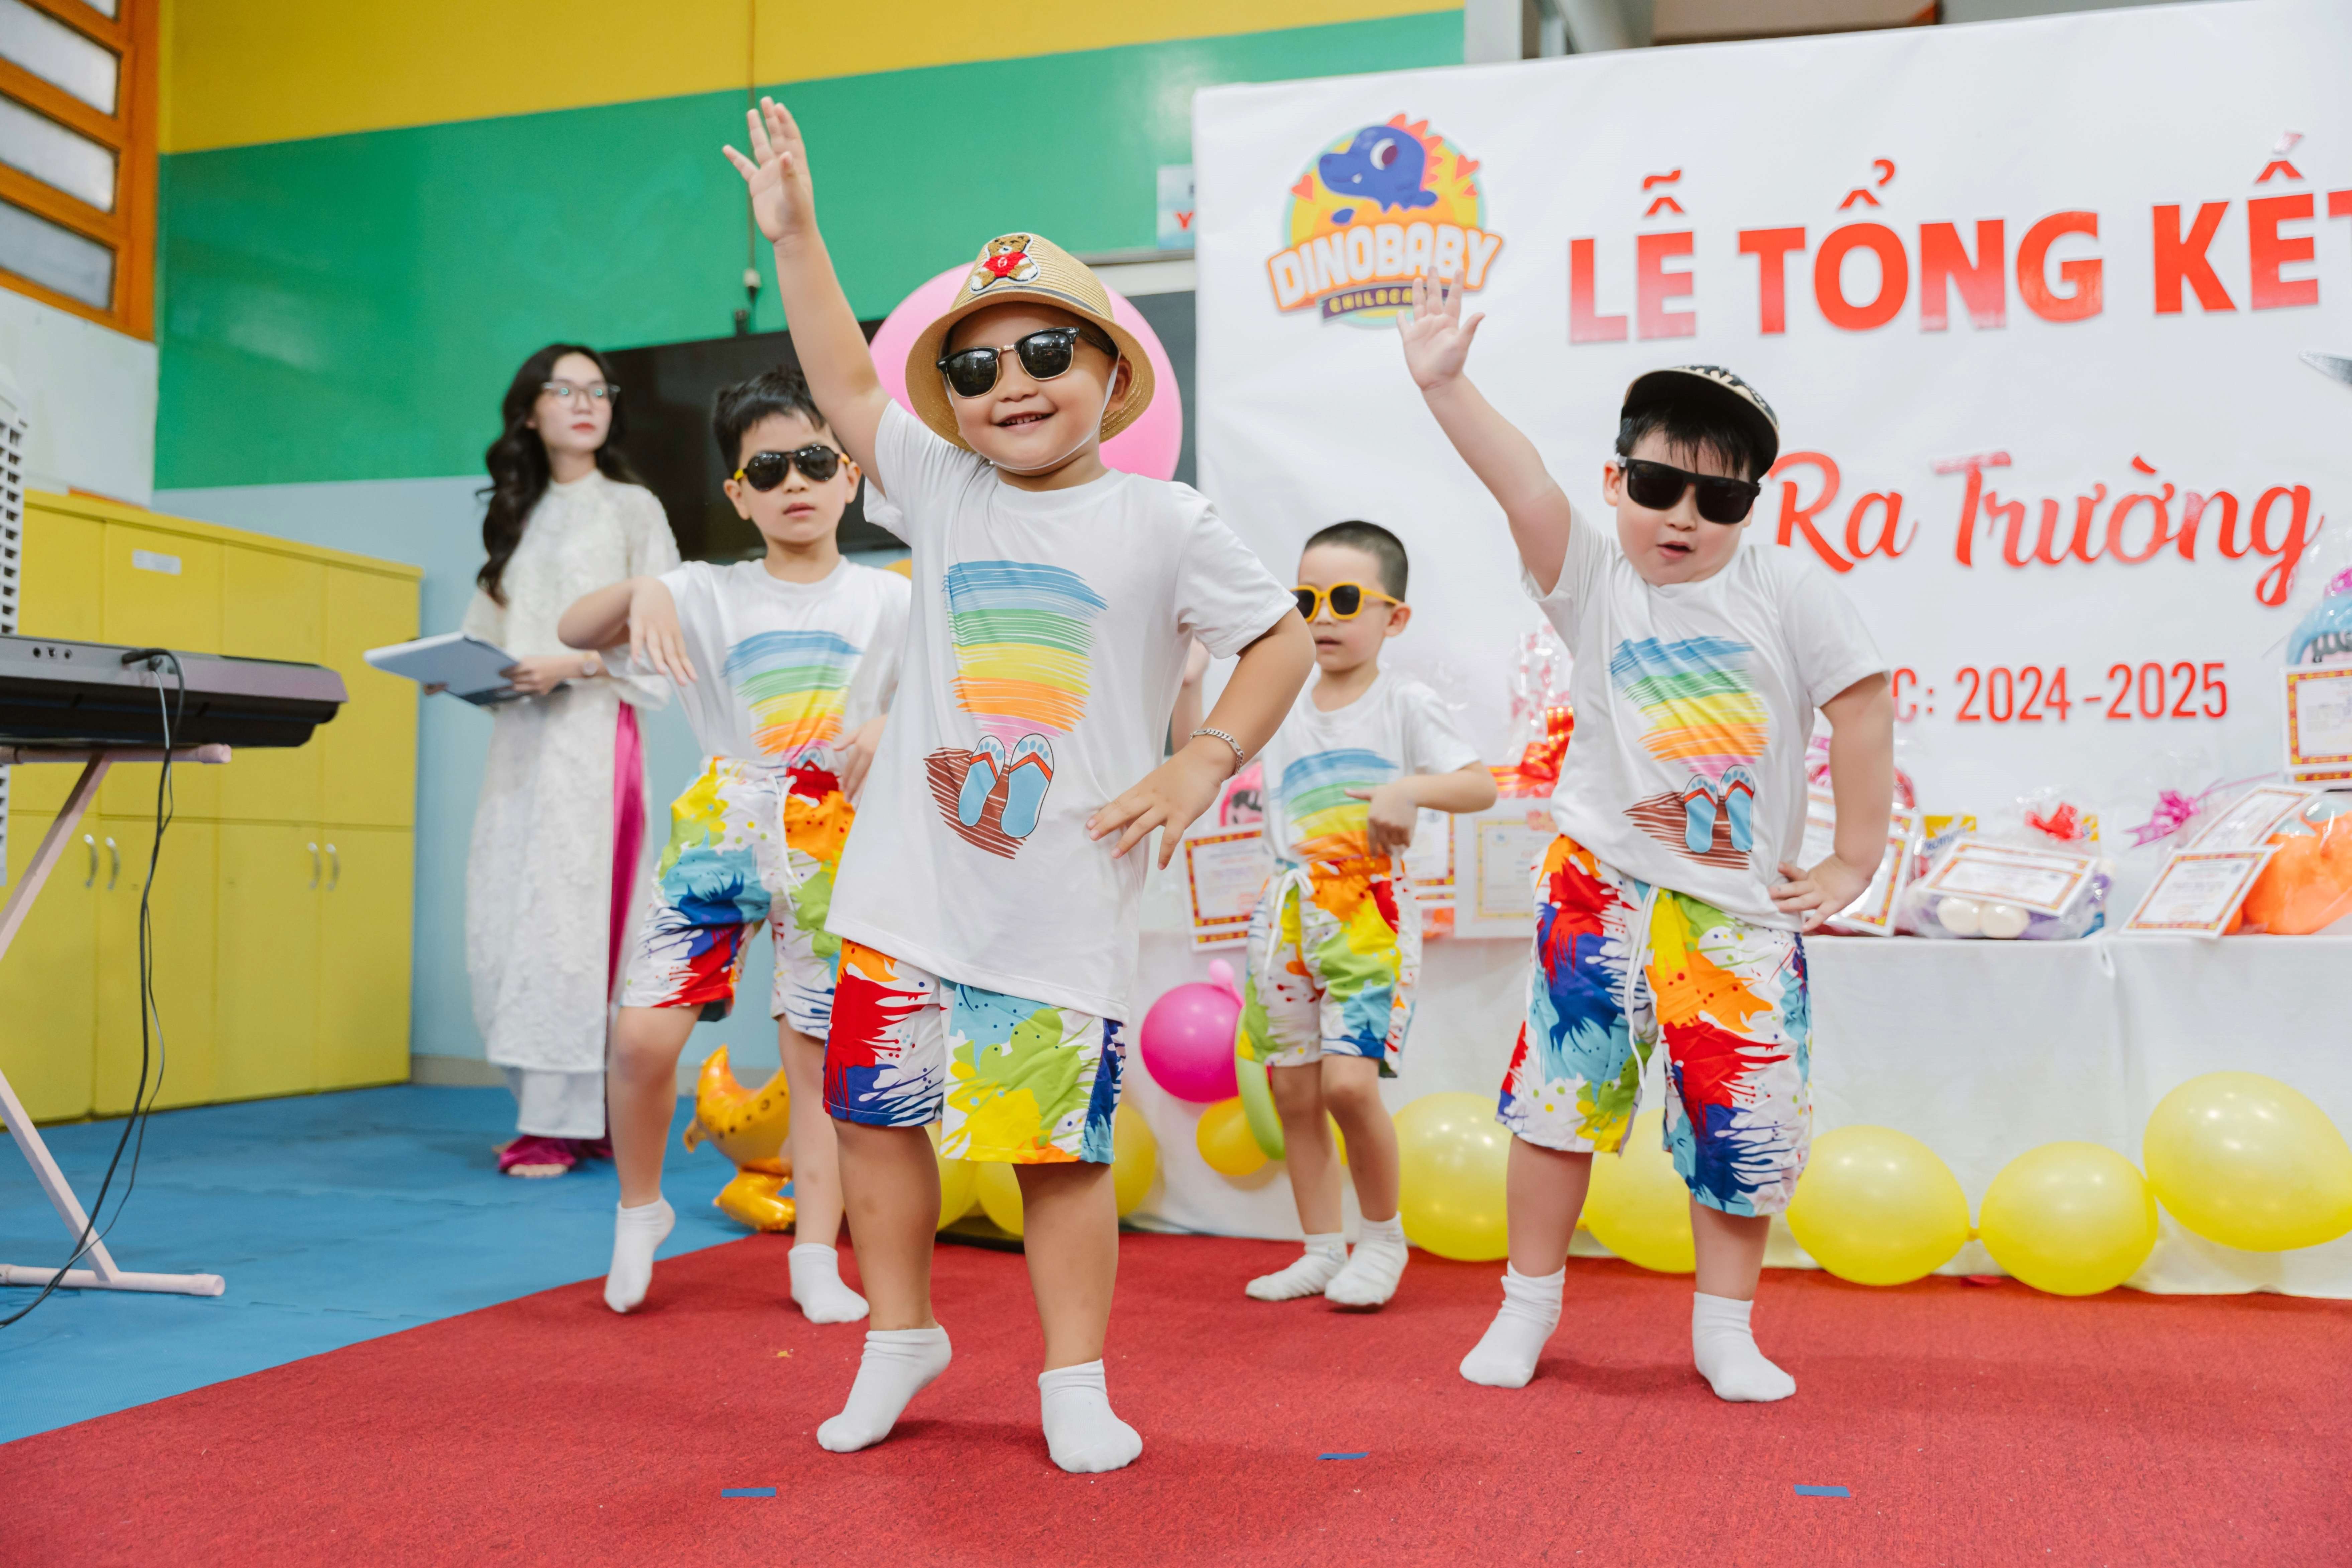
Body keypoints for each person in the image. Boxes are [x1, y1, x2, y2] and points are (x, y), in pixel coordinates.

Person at [723, 98, 1312, 1473]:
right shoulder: (938, 487)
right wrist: (800, 239)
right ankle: (899, 1334)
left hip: (1056, 903)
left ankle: (1072, 1375)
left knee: (1056, 1151)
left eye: (1046, 350)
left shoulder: (1167, 519)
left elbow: (1277, 639)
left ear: (1112, 372)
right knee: (872, 1114)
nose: (1011, 383)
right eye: (978, 367)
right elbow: (850, 389)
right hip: (903, 885)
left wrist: (1200, 755)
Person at [1396, 275, 1894, 1401]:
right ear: (1616, 481)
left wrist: (1852, 858)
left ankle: (1724, 1330)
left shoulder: (1788, 591)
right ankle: (1526, 1308)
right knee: (1556, 1101)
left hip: (1738, 909)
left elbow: (1861, 705)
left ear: (1753, 508)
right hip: (1598, 884)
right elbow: (1517, 479)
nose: (1683, 518)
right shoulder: (1591, 575)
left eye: (1717, 502)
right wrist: (1446, 384)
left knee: (1743, 1118)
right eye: (1660, 486)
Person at [558, 367, 911, 1321]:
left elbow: (950, 695)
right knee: (641, 1038)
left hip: (832, 830)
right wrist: (642, 590)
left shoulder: (889, 601)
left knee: (817, 1055)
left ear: (849, 476)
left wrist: (888, 724)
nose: (793, 482)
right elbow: (571, 627)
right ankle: (640, 1211)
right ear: (738, 493)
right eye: (768, 468)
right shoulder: (700, 592)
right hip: (724, 823)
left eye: (812, 461)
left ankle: (813, 1254)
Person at [1237, 520, 1495, 1309]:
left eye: (1345, 599)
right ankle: (1321, 1246)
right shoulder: (1279, 700)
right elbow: (1200, 741)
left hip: (1367, 911)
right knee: (1291, 1091)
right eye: (1304, 598)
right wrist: (1185, 678)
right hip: (1286, 909)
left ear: (1395, 617)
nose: (1322, 616)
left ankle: (1382, 1238)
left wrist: (1406, 790)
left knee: (1349, 1084)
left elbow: (1478, 784)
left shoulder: (1403, 701)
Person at [462, 343, 678, 1178]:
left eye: (599, 390)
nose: (585, 403)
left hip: (593, 743)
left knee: (575, 924)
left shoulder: (632, 509)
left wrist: (576, 663)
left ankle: (570, 1117)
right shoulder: (511, 516)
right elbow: (485, 636)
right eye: (565, 389)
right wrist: (463, 673)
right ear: (530, 411)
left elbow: (661, 632)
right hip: (517, 747)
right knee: (504, 921)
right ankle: (550, 1108)